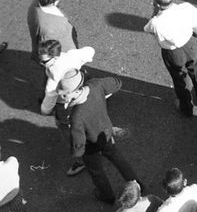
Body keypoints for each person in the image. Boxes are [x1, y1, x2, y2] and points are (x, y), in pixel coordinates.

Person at [57, 69, 142, 204]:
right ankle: (137, 184)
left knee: (96, 171)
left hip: (91, 147)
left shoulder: (75, 117)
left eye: (63, 94)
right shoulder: (95, 85)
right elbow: (116, 83)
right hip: (106, 133)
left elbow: (79, 144)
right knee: (118, 158)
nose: (61, 97)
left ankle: (107, 195)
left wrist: (76, 154)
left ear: (72, 92)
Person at [143, 0, 197, 119]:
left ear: (157, 4)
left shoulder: (156, 22)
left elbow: (149, 30)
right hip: (191, 46)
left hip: (173, 54)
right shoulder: (185, 8)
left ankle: (186, 108)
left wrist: (155, 12)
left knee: (180, 80)